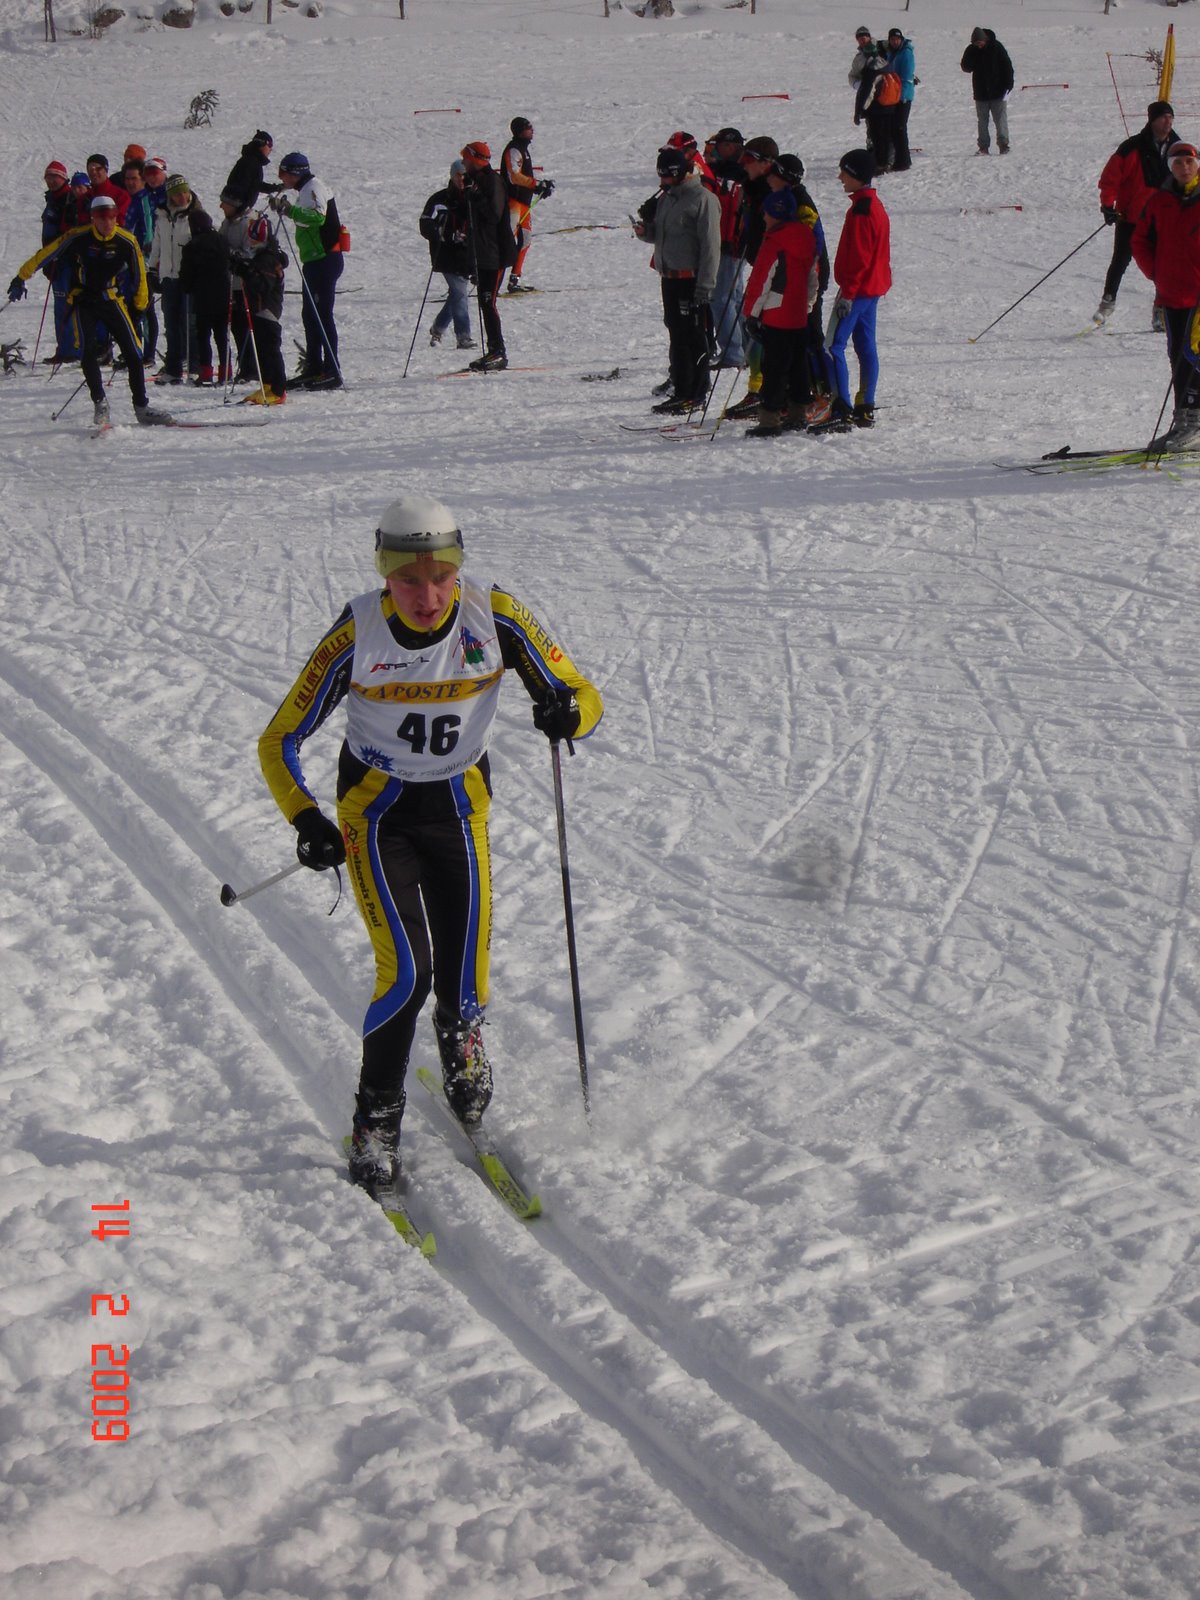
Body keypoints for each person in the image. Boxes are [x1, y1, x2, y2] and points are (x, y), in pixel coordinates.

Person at [256, 493, 603, 1203]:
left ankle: (460, 1042)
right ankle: (376, 1124)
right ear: (383, 572)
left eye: (441, 577)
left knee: (465, 970)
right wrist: (306, 817)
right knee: (407, 974)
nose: (426, 595)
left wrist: (569, 712)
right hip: (376, 817)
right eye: (407, 579)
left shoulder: (495, 615)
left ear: (458, 569)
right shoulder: (357, 633)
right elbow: (279, 737)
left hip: (458, 812)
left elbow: (579, 690)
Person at [7, 195, 171, 427]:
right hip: (83, 300)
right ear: (94, 218)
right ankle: (100, 402)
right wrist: (20, 277)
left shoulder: (127, 241)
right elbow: (46, 254)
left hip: (111, 299)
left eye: (111, 217)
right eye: (102, 218)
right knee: (87, 351)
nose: (107, 223)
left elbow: (139, 277)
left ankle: (142, 407)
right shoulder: (78, 236)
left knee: (134, 353)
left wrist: (140, 306)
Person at [1131, 141, 1200, 450]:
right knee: (1177, 356)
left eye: (1189, 162)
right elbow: (1140, 240)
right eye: (1178, 163)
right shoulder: (1160, 201)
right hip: (1172, 294)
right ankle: (1184, 420)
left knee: (1192, 354)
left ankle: (1195, 422)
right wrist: (1157, 273)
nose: (1184, 168)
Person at [816, 148, 891, 432]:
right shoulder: (873, 204)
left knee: (832, 346)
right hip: (872, 288)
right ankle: (864, 404)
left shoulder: (861, 211)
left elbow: (859, 258)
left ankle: (842, 407)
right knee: (865, 346)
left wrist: (847, 293)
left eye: (844, 173)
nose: (840, 178)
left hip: (857, 290)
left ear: (857, 175)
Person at [645, 145, 720, 414]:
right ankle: (681, 389)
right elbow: (661, 235)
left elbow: (711, 246)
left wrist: (705, 287)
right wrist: (645, 230)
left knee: (693, 337)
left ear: (680, 173)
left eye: (666, 175)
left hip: (692, 280)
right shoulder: (667, 198)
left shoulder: (703, 199)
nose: (662, 181)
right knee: (676, 335)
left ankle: (696, 393)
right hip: (670, 278)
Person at [740, 188, 819, 437]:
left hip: (776, 315)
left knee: (773, 370)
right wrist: (808, 305)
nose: (763, 216)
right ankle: (797, 414)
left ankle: (769, 421)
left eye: (766, 212)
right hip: (798, 314)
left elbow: (761, 281)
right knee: (798, 367)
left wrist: (751, 314)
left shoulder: (774, 242)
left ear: (775, 213)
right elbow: (813, 276)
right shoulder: (807, 237)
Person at [1096, 101, 1180, 327]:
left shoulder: (1178, 149)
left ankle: (1161, 310)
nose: (1168, 122)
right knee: (1120, 261)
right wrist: (1108, 206)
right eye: (1163, 117)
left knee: (1163, 267)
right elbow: (1110, 178)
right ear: (1152, 120)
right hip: (1130, 217)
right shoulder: (1131, 148)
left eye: (1170, 118)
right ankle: (1107, 303)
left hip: (1164, 219)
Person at [269, 152, 344, 388]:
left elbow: (318, 217)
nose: (282, 178)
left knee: (321, 315)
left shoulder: (314, 187)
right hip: (314, 260)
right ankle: (314, 366)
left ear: (296, 173)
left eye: (284, 173)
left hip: (324, 259)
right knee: (310, 315)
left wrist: (289, 211)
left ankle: (332, 370)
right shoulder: (305, 190)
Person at [724, 135, 778, 418]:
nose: (743, 164)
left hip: (774, 271)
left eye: (749, 160)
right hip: (757, 264)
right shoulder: (751, 186)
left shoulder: (774, 191)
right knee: (754, 326)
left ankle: (767, 390)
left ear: (766, 163)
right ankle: (757, 389)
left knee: (764, 331)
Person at [223, 193, 289, 406]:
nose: (251, 242)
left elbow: (263, 285)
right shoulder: (258, 256)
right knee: (260, 348)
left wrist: (246, 271)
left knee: (270, 348)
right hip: (257, 308)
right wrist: (240, 266)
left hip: (267, 309)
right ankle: (267, 384)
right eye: (250, 238)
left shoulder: (268, 258)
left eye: (255, 239)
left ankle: (278, 389)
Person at [458, 141, 518, 371]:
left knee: (488, 302)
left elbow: (494, 214)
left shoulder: (493, 181)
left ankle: (498, 351)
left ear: (475, 159)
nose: (464, 162)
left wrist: (475, 194)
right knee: (485, 303)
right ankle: (494, 351)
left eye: (466, 158)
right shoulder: (476, 180)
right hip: (482, 253)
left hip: (496, 253)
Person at [149, 174, 210, 384]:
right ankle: (173, 368)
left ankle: (194, 366)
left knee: (190, 324)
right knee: (171, 324)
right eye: (177, 194)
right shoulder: (162, 215)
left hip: (189, 277)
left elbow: (203, 245)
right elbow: (157, 243)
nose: (182, 197)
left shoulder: (196, 215)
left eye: (184, 192)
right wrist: (152, 269)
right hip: (168, 276)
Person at [419, 158, 475, 349]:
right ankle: (463, 336)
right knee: (459, 293)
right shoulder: (439, 199)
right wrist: (446, 235)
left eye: (465, 175)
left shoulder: (474, 198)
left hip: (467, 254)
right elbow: (425, 224)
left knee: (457, 295)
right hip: (446, 255)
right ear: (452, 176)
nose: (462, 179)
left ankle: (438, 328)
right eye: (459, 175)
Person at [707, 127, 748, 368]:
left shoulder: (737, 174)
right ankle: (745, 348)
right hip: (734, 243)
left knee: (722, 298)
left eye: (720, 146)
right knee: (735, 297)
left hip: (730, 243)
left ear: (731, 146)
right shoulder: (733, 170)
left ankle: (733, 353)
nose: (715, 151)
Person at [500, 116, 553, 293]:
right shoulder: (514, 149)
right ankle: (492, 284)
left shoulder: (523, 149)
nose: (532, 130)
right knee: (507, 243)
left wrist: (539, 186)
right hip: (513, 203)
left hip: (523, 204)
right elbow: (514, 176)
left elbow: (524, 176)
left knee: (526, 240)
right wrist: (535, 184)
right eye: (528, 128)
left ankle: (515, 279)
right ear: (520, 131)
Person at [179, 210, 230, 385]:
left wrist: (186, 286)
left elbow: (187, 274)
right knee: (222, 336)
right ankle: (226, 371)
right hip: (223, 294)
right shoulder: (222, 241)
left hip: (202, 297)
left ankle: (206, 372)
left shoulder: (192, 246)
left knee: (203, 336)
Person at [961, 27, 1014, 155]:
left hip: (999, 92)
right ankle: (983, 147)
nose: (979, 46)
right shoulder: (971, 50)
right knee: (982, 121)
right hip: (981, 93)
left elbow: (1007, 66)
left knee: (1000, 119)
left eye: (980, 43)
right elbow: (965, 67)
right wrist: (973, 56)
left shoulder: (997, 47)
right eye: (976, 44)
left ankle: (1003, 145)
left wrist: (1008, 85)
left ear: (985, 39)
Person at [884, 27, 916, 172]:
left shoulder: (906, 53)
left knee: (900, 128)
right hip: (893, 96)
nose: (895, 42)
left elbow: (906, 76)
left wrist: (900, 95)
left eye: (897, 39)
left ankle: (903, 161)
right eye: (892, 39)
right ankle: (898, 158)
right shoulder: (891, 52)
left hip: (903, 96)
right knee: (894, 128)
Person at [224, 130, 279, 210]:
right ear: (262, 145)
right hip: (237, 205)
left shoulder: (248, 159)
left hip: (234, 202)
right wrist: (274, 188)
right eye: (270, 145)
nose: (271, 149)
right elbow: (255, 185)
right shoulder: (252, 162)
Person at [85, 154, 131, 225]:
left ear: (106, 170)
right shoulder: (85, 197)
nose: (94, 172)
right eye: (91, 170)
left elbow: (122, 221)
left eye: (98, 169)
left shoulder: (121, 196)